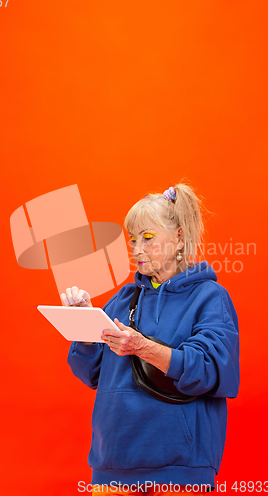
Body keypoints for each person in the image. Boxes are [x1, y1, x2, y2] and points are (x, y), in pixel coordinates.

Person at [62, 182, 240, 495]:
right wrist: (85, 327)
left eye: (148, 238)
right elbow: (90, 374)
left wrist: (144, 348)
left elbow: (210, 371)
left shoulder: (210, 297)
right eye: (133, 239)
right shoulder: (123, 299)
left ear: (180, 237)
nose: (137, 249)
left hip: (180, 469)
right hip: (112, 467)